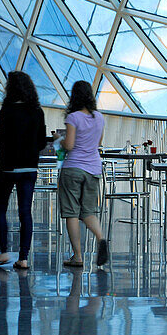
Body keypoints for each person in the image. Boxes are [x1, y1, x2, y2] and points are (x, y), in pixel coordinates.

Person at [0, 70, 48, 270]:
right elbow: (42, 141)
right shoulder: (37, 111)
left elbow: (1, 138)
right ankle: (23, 258)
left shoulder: (7, 110)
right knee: (25, 212)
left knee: (1, 209)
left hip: (7, 167)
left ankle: (4, 250)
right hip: (29, 166)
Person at [58, 80, 108, 268]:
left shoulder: (73, 118)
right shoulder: (100, 118)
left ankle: (77, 256)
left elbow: (69, 145)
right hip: (93, 168)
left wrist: (59, 140)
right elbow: (98, 143)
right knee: (88, 211)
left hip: (73, 168)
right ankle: (101, 238)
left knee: (71, 212)